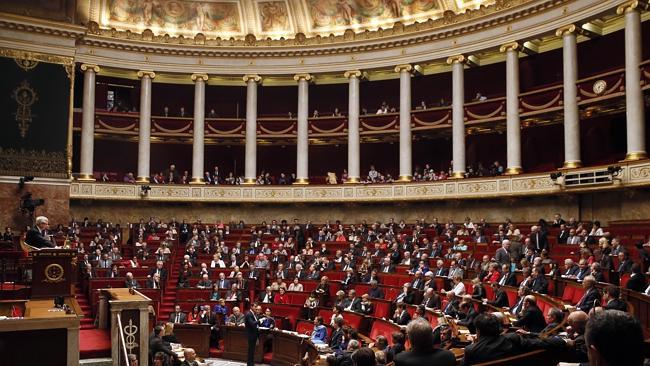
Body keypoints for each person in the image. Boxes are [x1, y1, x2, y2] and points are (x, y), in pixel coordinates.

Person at [462, 314, 566, 365]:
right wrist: (563, 341)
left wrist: (474, 343)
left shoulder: (471, 350)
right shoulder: (512, 338)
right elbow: (540, 343)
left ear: (478, 331)